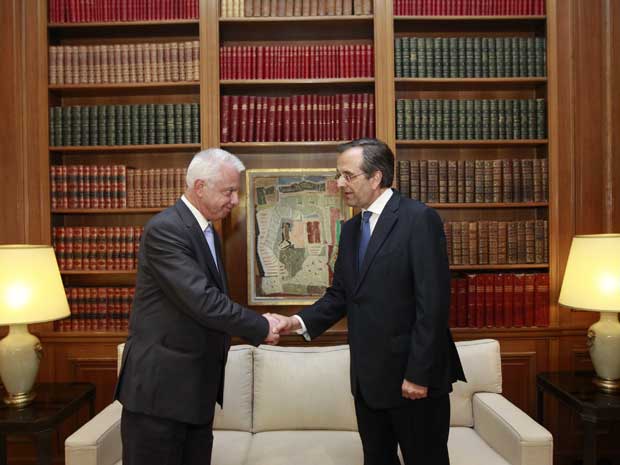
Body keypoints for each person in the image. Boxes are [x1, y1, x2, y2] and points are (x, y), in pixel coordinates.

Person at [269, 138, 466, 465]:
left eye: (348, 175)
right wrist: (296, 322)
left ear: (376, 177)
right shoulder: (350, 230)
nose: (339, 183)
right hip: (367, 381)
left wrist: (419, 374)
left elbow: (432, 304)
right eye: (338, 175)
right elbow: (341, 296)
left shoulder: (419, 219)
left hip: (412, 379)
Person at [115, 148, 280, 465]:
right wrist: (262, 326)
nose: (235, 200)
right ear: (200, 186)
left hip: (194, 393)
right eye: (229, 191)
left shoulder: (207, 232)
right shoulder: (167, 229)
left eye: (236, 191)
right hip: (160, 395)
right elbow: (203, 301)